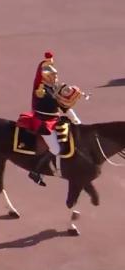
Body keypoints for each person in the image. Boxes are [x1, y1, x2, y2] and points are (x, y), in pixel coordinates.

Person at [28, 51, 83, 186]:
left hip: (54, 120)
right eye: (53, 75)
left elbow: (63, 106)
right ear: (47, 76)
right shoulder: (41, 91)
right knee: (56, 149)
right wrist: (65, 98)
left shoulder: (53, 88)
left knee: (71, 136)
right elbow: (57, 103)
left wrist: (76, 120)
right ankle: (36, 171)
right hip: (43, 122)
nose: (56, 77)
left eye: (56, 75)